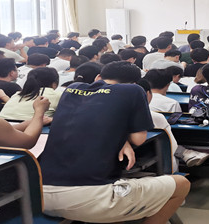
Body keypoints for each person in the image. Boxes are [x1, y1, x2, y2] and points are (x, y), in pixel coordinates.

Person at [39, 61, 190, 223]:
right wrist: (125, 138)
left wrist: (121, 139)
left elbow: (88, 121)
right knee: (182, 184)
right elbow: (139, 138)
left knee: (118, 188)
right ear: (134, 83)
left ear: (98, 77)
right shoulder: (133, 90)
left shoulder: (72, 88)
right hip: (91, 199)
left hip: (41, 196)